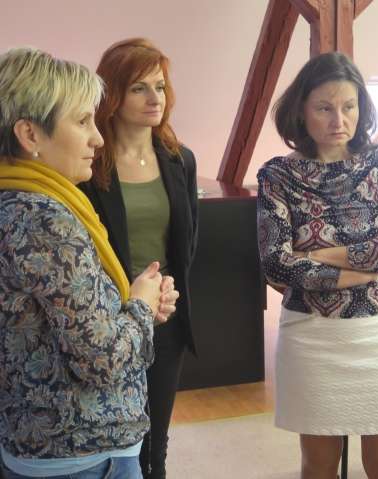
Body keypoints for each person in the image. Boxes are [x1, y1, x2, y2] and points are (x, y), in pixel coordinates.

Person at [0, 47, 178, 478]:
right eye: (82, 122)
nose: (97, 138)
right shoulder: (46, 219)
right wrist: (140, 304)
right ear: (30, 134)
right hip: (80, 452)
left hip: (41, 444)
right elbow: (101, 358)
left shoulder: (17, 201)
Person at [257, 52, 378, 479]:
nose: (338, 120)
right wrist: (364, 270)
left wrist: (318, 256)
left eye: (349, 106)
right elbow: (277, 264)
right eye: (324, 108)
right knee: (318, 466)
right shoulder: (278, 175)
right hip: (311, 335)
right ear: (301, 110)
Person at [78, 38, 199, 479]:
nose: (155, 98)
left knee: (156, 440)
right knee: (118, 438)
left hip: (166, 314)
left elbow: (187, 242)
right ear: (112, 94)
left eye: (160, 87)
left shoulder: (179, 159)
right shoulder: (88, 163)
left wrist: (165, 296)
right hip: (108, 320)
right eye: (139, 88)